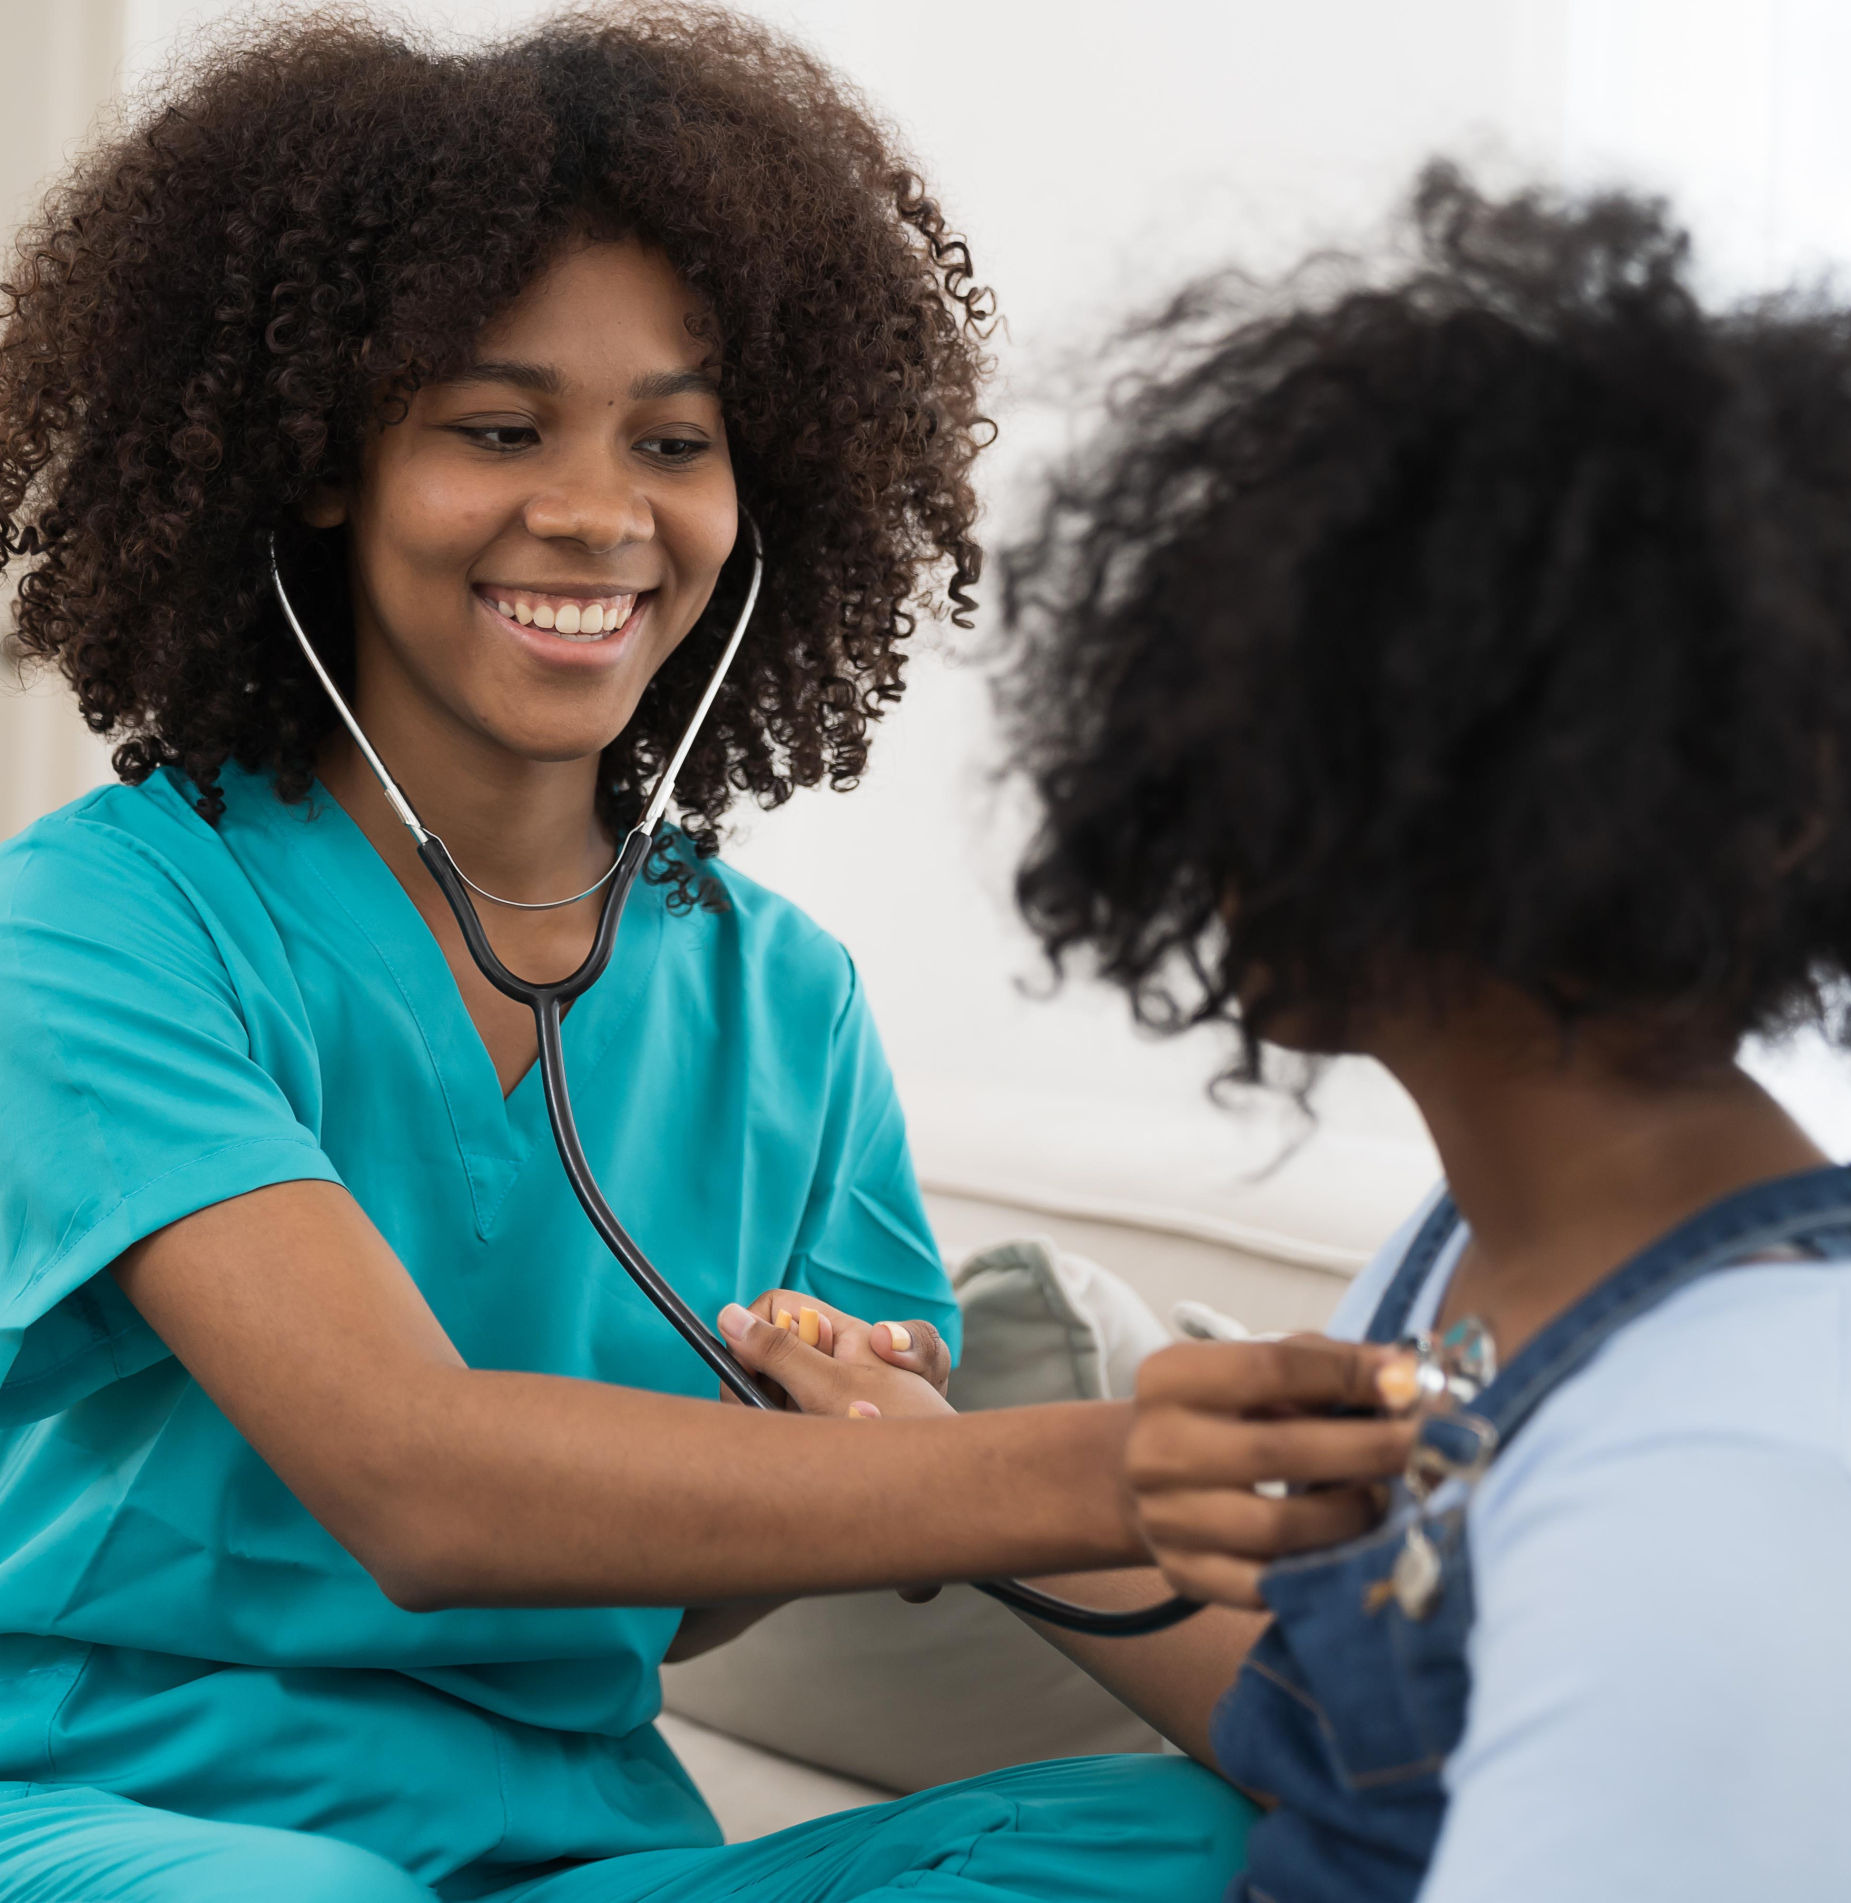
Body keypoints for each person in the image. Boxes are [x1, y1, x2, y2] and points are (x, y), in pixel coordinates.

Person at [0, 10, 1291, 1898]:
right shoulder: (105, 924)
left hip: (578, 1856)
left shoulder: (786, 999)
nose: (599, 513)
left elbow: (673, 1625)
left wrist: (848, 1439)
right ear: (317, 466)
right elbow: (420, 1487)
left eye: (674, 440)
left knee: (1207, 1849)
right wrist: (1094, 1464)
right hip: (142, 1826)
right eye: (497, 427)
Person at [992, 164, 1851, 1902]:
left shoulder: (1765, 1467)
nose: (1200, 822)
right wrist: (936, 1489)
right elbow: (1354, 1766)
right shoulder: (1469, 1257)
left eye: (1263, 751)